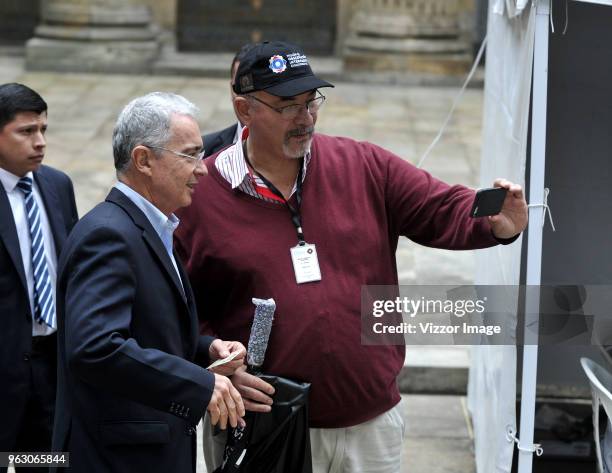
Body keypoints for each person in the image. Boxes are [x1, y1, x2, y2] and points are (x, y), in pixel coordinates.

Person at [174, 41, 529, 473]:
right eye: (287, 105)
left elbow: (438, 206)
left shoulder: (361, 164)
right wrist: (211, 363)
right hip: (263, 426)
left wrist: (494, 223)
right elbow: (173, 306)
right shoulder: (200, 196)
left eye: (311, 101)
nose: (305, 117)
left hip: (370, 426)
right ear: (244, 110)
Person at [52, 92, 245, 473]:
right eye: (189, 154)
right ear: (143, 160)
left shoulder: (152, 225)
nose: (202, 168)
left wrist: (205, 350)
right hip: (115, 459)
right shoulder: (109, 235)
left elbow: (145, 328)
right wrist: (197, 385)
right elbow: (96, 347)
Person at [0, 83, 78, 473]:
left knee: (47, 462)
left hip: (51, 364)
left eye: (43, 130)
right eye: (26, 131)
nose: (40, 142)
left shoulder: (57, 185)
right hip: (4, 365)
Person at [202, 43, 254, 158]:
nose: (245, 98)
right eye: (239, 87)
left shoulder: (296, 149)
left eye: (254, 89)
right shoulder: (205, 151)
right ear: (231, 89)